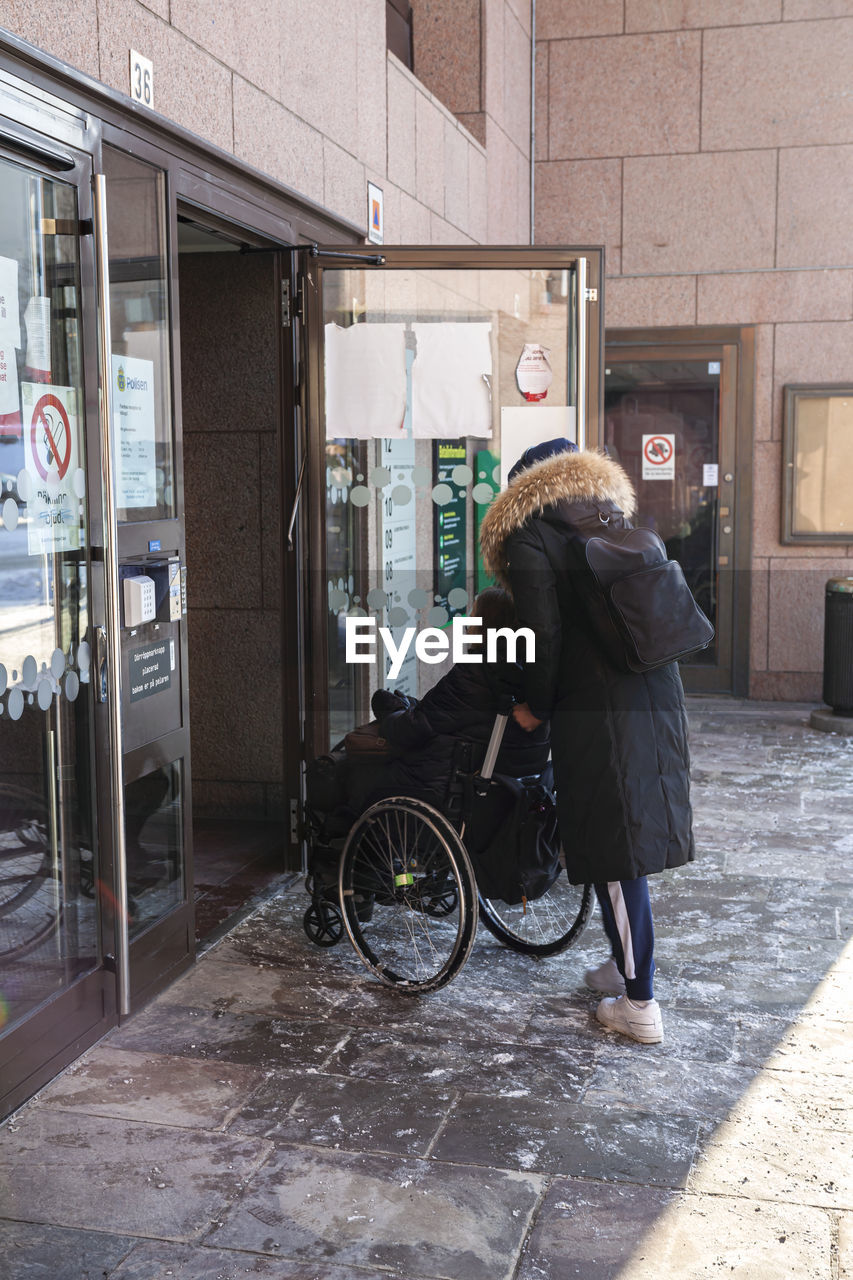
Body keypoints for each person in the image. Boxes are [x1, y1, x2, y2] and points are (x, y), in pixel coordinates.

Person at [479, 438, 695, 1044]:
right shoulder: (608, 515)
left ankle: (640, 1004)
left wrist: (534, 706)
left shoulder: (530, 534)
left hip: (596, 707)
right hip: (654, 692)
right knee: (615, 839)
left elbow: (540, 636)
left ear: (527, 486)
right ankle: (622, 967)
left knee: (618, 848)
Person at [367, 587, 550, 808]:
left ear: (484, 626)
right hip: (504, 804)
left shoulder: (473, 675)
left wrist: (389, 712)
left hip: (444, 794)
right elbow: (440, 714)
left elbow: (411, 728)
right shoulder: (537, 682)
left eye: (474, 614)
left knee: (357, 780)